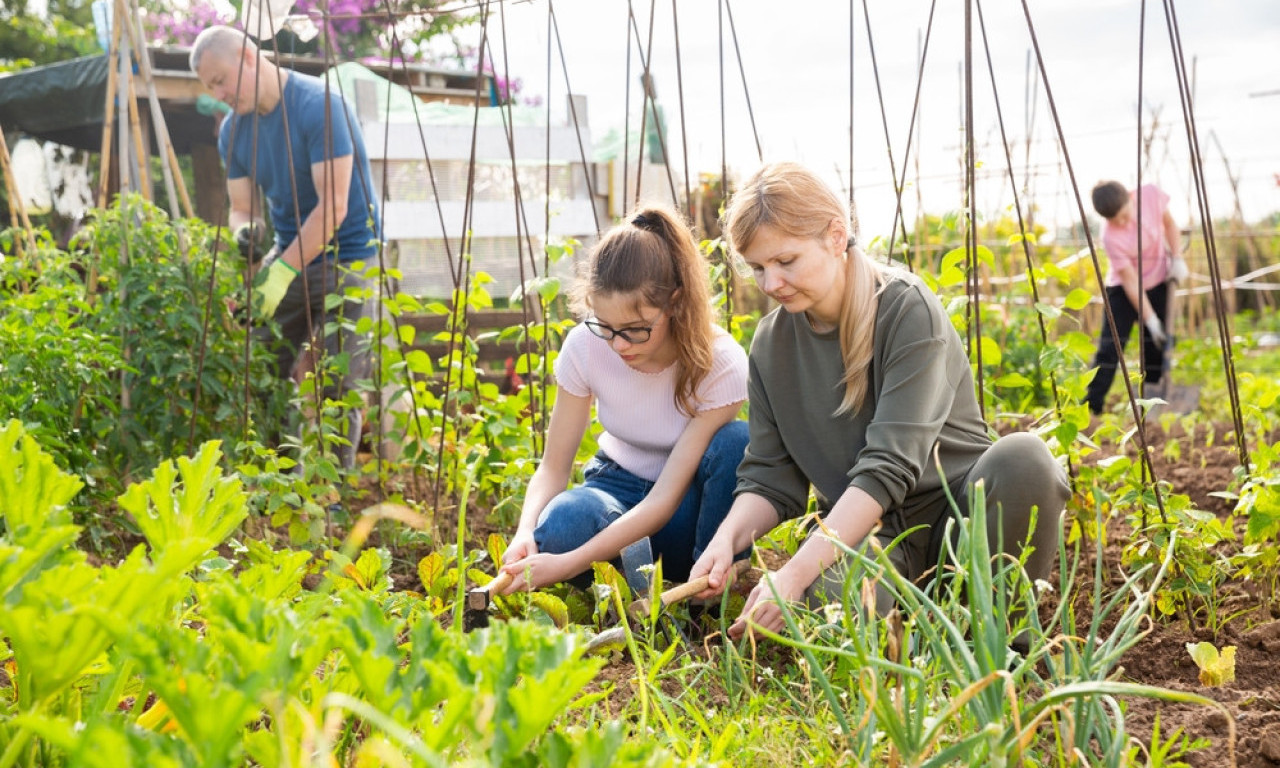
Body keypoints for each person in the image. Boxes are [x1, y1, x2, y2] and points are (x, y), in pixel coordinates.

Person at [688, 162, 1070, 641]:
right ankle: (927, 629)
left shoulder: (907, 310)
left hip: (964, 523)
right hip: (873, 538)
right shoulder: (771, 346)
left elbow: (888, 467)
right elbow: (770, 476)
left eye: (786, 261)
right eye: (758, 268)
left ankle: (1002, 635)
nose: (770, 284)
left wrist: (792, 573)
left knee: (1026, 459)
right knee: (832, 600)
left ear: (835, 235)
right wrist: (728, 539)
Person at [497, 207, 749, 593]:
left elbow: (664, 500)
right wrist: (525, 531)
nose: (617, 345)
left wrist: (567, 564)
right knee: (565, 521)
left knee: (736, 442)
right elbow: (553, 468)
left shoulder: (720, 363)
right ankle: (636, 584)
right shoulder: (585, 346)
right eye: (605, 326)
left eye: (635, 330)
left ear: (676, 303)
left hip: (684, 510)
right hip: (613, 488)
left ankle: (703, 583)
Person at [190, 25, 380, 470]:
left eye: (220, 79)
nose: (218, 93)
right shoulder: (233, 132)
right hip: (289, 253)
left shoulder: (320, 107)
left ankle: (332, 488)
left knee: (340, 381)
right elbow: (241, 207)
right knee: (258, 361)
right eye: (209, 87)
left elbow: (332, 209)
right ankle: (280, 476)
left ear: (249, 56)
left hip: (348, 256)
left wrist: (277, 274)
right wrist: (245, 231)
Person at [1084, 180, 1188, 415]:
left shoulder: (1150, 195)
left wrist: (1178, 257)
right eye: (1114, 220)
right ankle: (1092, 407)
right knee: (1111, 347)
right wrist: (1150, 320)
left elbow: (1170, 224)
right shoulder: (1110, 237)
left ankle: (1152, 406)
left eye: (1124, 214)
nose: (1123, 222)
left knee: (1154, 347)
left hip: (1158, 281)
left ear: (1131, 197)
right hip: (1123, 289)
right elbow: (1130, 280)